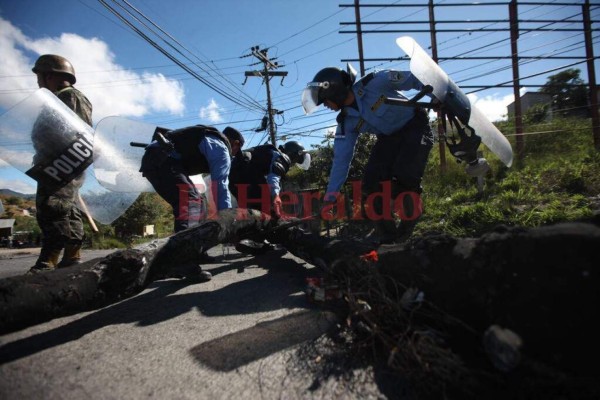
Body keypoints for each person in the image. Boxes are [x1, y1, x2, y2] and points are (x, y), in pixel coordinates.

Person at [302, 66, 434, 244]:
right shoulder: (346, 123)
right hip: (388, 138)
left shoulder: (376, 82)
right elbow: (341, 161)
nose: (325, 106)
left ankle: (406, 228)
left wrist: (438, 97)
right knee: (371, 184)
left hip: (415, 127)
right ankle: (388, 236)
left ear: (335, 92)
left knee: (405, 176)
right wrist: (330, 197)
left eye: (325, 101)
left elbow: (414, 78)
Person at [139, 124, 240, 281]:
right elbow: (220, 184)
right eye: (236, 152)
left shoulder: (209, 138)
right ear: (236, 144)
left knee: (199, 202)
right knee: (190, 202)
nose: (233, 156)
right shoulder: (221, 148)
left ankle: (196, 251)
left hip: (160, 160)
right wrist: (227, 219)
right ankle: (181, 261)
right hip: (162, 161)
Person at [28, 54, 93, 273]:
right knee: (68, 210)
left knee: (52, 209)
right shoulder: (61, 98)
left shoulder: (70, 97)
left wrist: (64, 165)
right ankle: (71, 258)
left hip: (61, 165)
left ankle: (48, 262)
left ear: (49, 76)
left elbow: (79, 133)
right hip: (60, 165)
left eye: (39, 77)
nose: (38, 83)